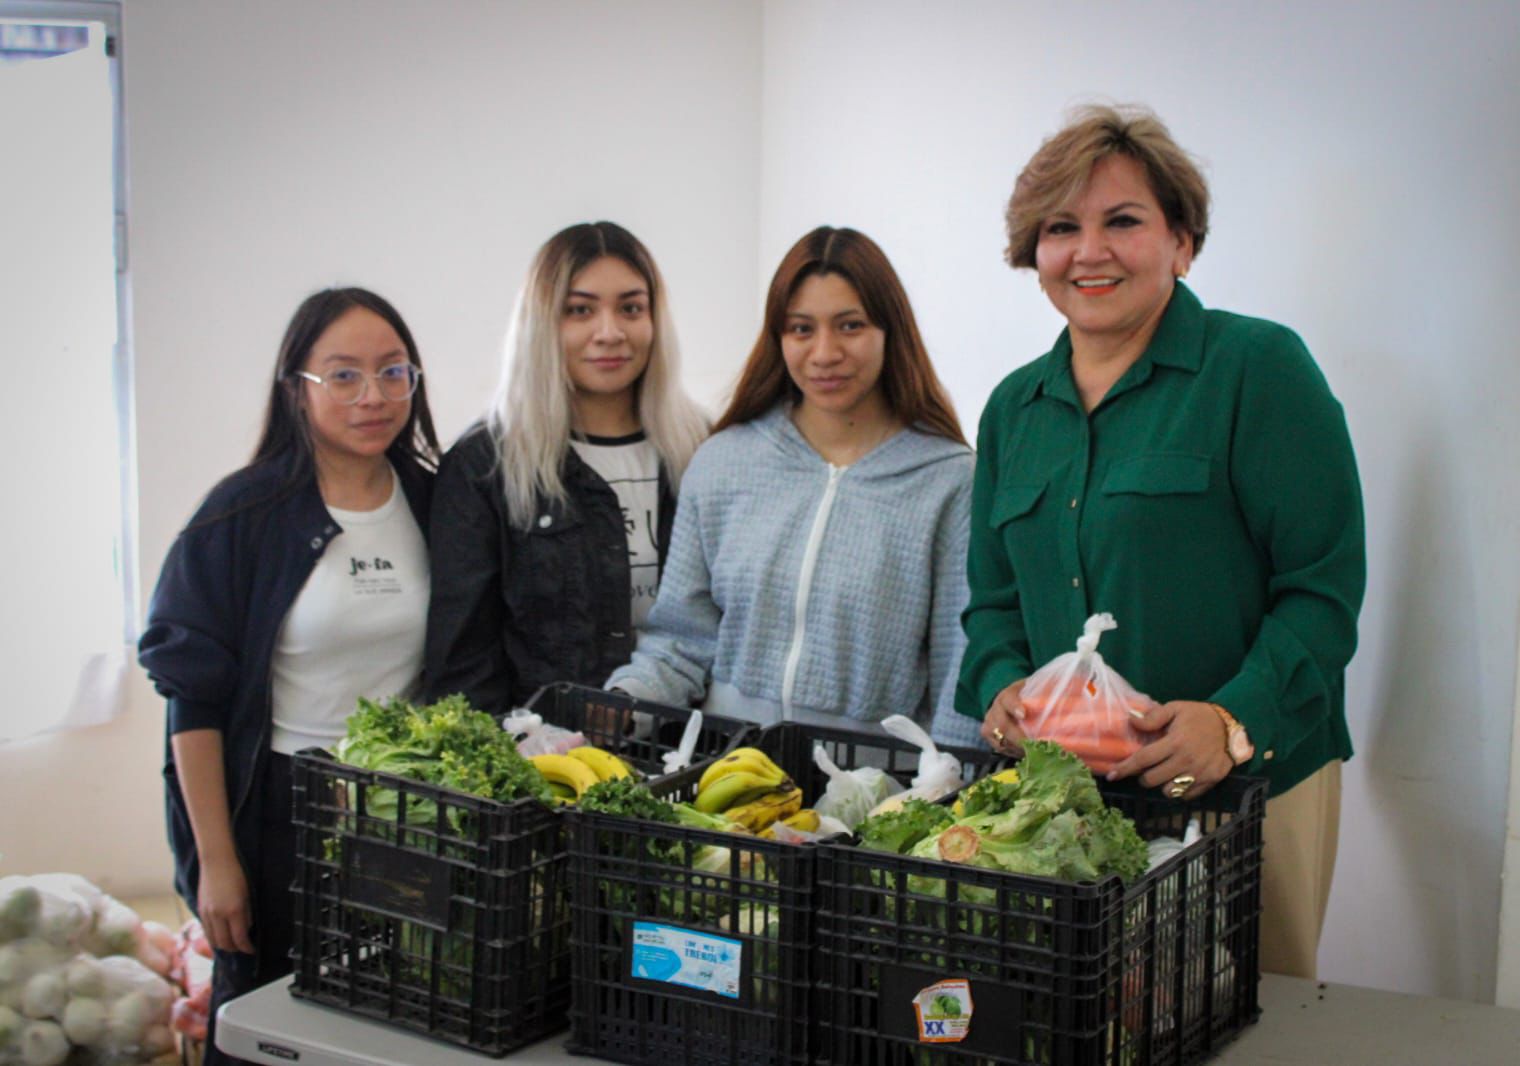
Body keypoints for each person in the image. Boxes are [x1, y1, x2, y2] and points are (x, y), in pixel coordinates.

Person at [957, 105, 1365, 978]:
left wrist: (1230, 720)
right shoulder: (1010, 410)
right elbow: (991, 607)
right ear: (1033, 253)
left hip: (1248, 794)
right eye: (1060, 228)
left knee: (1246, 1019)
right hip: (1068, 809)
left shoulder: (1255, 368)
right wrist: (999, 692)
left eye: (1123, 221)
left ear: (1182, 242)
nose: (1088, 251)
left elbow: (1322, 592)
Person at [139, 288, 439, 1064]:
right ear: (295, 388)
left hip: (406, 814)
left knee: (393, 1021)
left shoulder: (440, 501)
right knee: (270, 1028)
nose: (373, 396)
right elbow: (193, 701)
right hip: (279, 813)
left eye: (392, 371)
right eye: (342, 376)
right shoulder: (242, 515)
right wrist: (217, 862)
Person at [607, 226, 982, 746]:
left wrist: (950, 797)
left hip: (878, 796)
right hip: (727, 779)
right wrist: (624, 704)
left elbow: (960, 670)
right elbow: (680, 641)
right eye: (801, 329)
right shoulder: (723, 462)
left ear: (889, 331)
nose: (824, 353)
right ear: (778, 338)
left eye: (850, 325)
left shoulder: (948, 479)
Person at [425, 222, 707, 713]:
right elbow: (464, 666)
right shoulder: (485, 467)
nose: (609, 332)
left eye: (631, 308)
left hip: (696, 755)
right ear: (541, 322)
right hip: (544, 764)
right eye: (579, 310)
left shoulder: (705, 448)